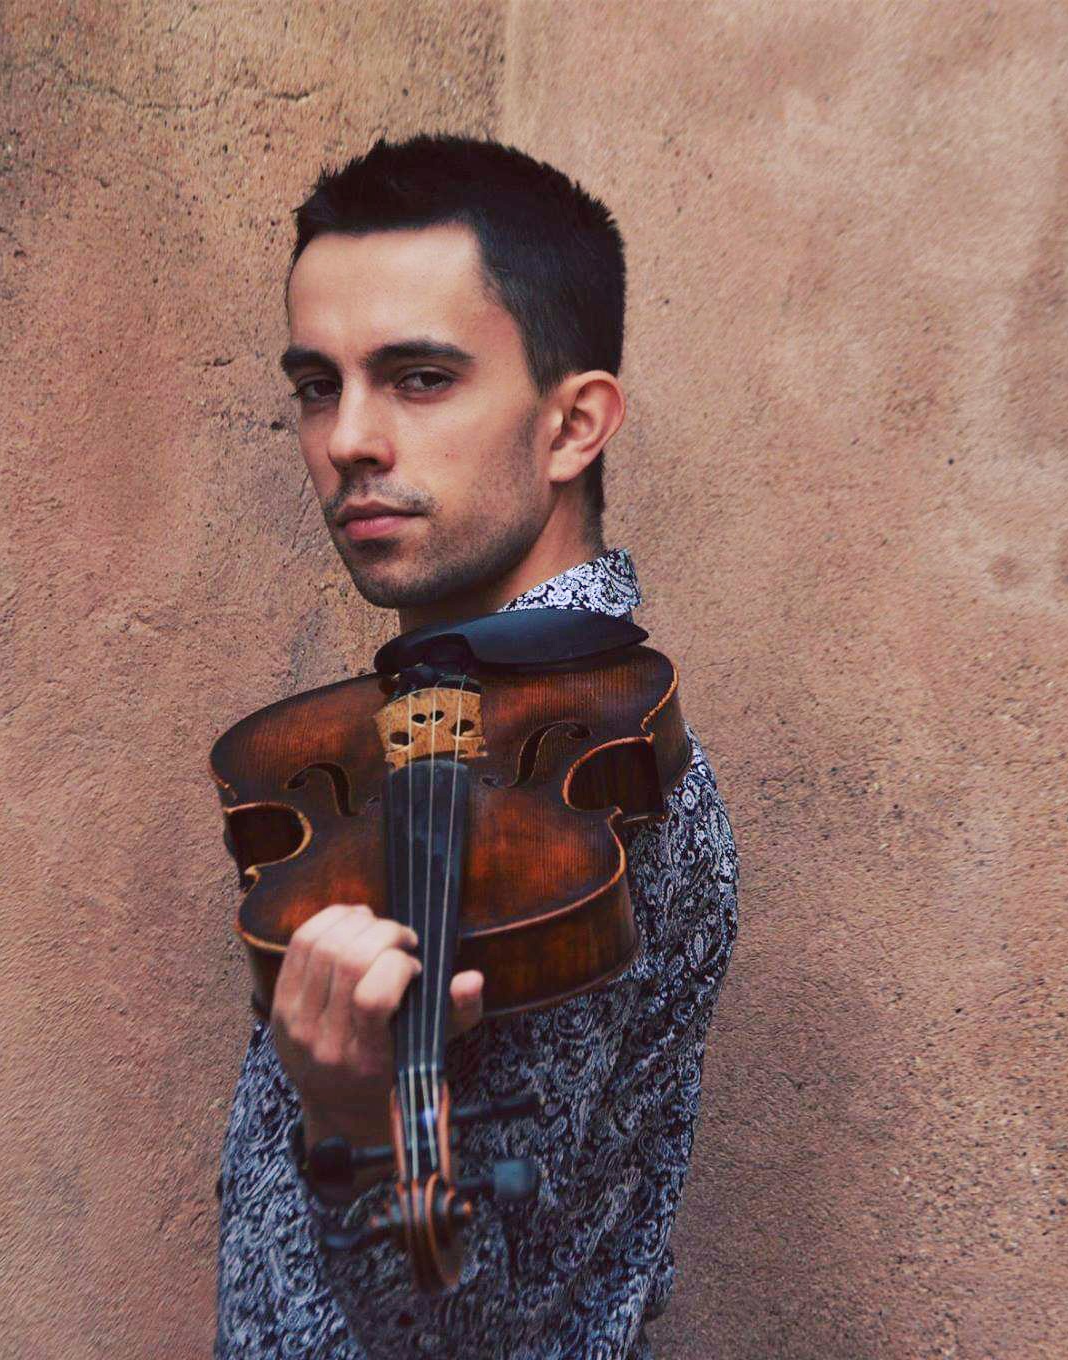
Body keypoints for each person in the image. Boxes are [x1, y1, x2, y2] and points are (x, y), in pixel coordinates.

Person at [213, 132, 739, 1360]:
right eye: (317, 385)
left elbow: (470, 1316)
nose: (348, 439)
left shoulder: (605, 807)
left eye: (418, 378)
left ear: (572, 426)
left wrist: (355, 1121)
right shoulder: (410, 738)